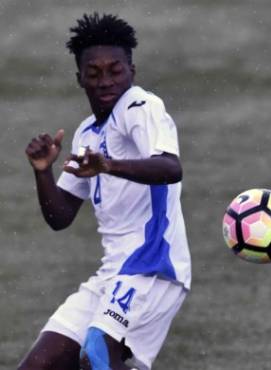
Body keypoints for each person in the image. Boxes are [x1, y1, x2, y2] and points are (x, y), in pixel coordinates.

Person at [20, 13, 191, 370]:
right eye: (93, 73)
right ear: (79, 77)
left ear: (132, 70)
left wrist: (109, 166)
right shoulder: (86, 133)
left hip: (152, 266)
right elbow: (60, 217)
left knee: (96, 355)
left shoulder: (139, 106)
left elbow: (170, 168)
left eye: (115, 70)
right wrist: (43, 172)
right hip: (112, 273)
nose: (105, 81)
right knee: (39, 365)